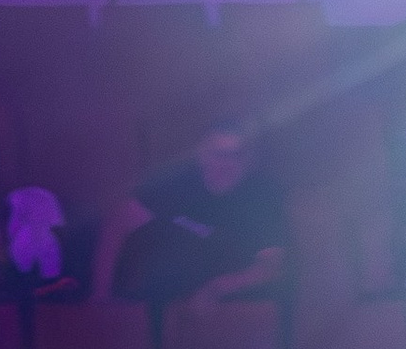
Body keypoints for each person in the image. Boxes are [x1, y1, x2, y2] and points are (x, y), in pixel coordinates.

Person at [94, 122, 285, 313]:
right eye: (218, 154)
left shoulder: (261, 196)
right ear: (202, 155)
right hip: (154, 306)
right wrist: (100, 296)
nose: (226, 164)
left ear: (248, 160)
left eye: (236, 155)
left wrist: (217, 288)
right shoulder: (177, 186)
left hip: (230, 311)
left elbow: (272, 266)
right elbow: (120, 220)